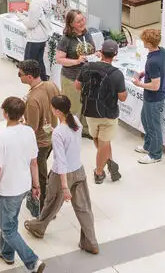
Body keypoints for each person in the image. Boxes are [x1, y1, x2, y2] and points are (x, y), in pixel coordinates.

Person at [0, 96, 46, 273]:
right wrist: (36, 185)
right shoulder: (29, 132)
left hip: (8, 190)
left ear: (5, 114)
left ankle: (32, 261)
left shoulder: (1, 139)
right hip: (24, 185)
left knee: (8, 228)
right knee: (10, 219)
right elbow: (34, 162)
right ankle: (7, 253)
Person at [23, 94, 99, 254]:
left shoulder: (59, 133)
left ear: (57, 111)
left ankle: (39, 227)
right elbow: (69, 140)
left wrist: (65, 187)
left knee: (51, 203)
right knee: (84, 208)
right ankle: (90, 241)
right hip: (79, 170)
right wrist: (52, 130)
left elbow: (61, 160)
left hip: (61, 175)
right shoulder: (76, 122)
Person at [76, 39, 127, 182]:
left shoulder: (87, 67)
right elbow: (122, 98)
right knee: (104, 142)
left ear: (100, 52)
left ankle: (109, 161)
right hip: (108, 114)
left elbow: (77, 86)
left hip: (90, 112)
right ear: (115, 54)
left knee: (98, 139)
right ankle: (99, 173)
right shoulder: (117, 74)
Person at [17, 59, 59, 207]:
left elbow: (31, 128)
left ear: (29, 77)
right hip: (52, 135)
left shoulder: (33, 100)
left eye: (20, 74)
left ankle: (43, 206)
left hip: (40, 142)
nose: (19, 76)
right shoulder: (51, 85)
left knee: (40, 177)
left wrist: (20, 122)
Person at [131, 28, 165, 164]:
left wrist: (138, 84)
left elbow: (155, 86)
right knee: (145, 120)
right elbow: (157, 73)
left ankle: (155, 154)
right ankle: (148, 146)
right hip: (153, 96)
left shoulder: (153, 62)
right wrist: (144, 73)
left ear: (148, 43)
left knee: (153, 126)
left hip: (154, 98)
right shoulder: (162, 52)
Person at [56, 9, 96, 128]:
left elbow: (91, 50)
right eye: (78, 21)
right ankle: (68, 130)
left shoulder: (86, 34)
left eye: (83, 19)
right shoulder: (66, 39)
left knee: (86, 105)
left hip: (87, 77)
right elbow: (59, 59)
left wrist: (96, 54)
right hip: (71, 78)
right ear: (71, 24)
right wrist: (76, 61)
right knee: (72, 107)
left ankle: (85, 129)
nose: (82, 23)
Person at [21, 0, 52, 81]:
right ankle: (44, 83)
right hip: (42, 37)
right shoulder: (46, 1)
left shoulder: (35, 2)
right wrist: (26, 13)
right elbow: (39, 16)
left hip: (34, 39)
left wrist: (20, 16)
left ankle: (35, 86)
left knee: (29, 66)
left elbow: (31, 24)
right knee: (39, 62)